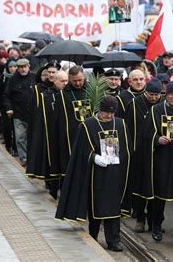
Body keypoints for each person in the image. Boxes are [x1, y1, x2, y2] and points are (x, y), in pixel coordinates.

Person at [56, 96, 132, 252]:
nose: (109, 116)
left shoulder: (120, 124)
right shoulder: (88, 125)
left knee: (113, 207)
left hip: (115, 172)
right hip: (96, 173)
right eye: (106, 113)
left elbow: (127, 147)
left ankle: (113, 240)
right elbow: (80, 150)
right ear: (100, 110)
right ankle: (93, 235)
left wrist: (120, 159)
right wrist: (94, 157)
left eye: (112, 113)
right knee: (96, 205)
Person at [137, 81, 173, 248]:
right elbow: (146, 134)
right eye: (171, 93)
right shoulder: (156, 110)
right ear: (166, 94)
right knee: (159, 195)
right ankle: (156, 225)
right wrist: (157, 139)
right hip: (161, 159)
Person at [125, 78, 163, 233]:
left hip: (158, 153)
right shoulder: (135, 104)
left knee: (157, 189)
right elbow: (128, 128)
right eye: (151, 94)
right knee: (140, 188)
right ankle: (140, 217)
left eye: (157, 95)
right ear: (145, 92)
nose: (154, 98)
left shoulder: (163, 106)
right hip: (140, 152)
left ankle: (156, 221)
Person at [26, 70, 68, 199]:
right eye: (62, 81)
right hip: (50, 136)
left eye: (66, 81)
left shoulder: (68, 95)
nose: (65, 84)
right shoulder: (46, 96)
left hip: (64, 135)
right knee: (52, 162)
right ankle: (53, 189)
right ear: (54, 81)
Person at [54, 66, 91, 175]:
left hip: (89, 133)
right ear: (69, 79)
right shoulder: (63, 94)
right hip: (71, 135)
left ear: (84, 77)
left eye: (80, 80)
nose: (78, 83)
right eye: (74, 81)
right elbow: (59, 119)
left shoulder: (91, 90)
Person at [3, 58, 35, 166]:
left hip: (32, 113)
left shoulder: (34, 77)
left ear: (28, 66)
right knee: (20, 137)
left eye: (24, 66)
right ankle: (24, 157)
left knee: (32, 137)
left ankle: (32, 157)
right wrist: (9, 108)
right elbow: (6, 95)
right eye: (20, 67)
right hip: (18, 113)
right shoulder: (13, 79)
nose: (23, 69)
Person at [0, 59, 18, 156]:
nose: (12, 69)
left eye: (14, 66)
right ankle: (8, 145)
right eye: (10, 67)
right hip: (5, 106)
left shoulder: (18, 77)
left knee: (16, 128)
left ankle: (16, 148)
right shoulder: (4, 77)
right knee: (7, 127)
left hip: (16, 106)